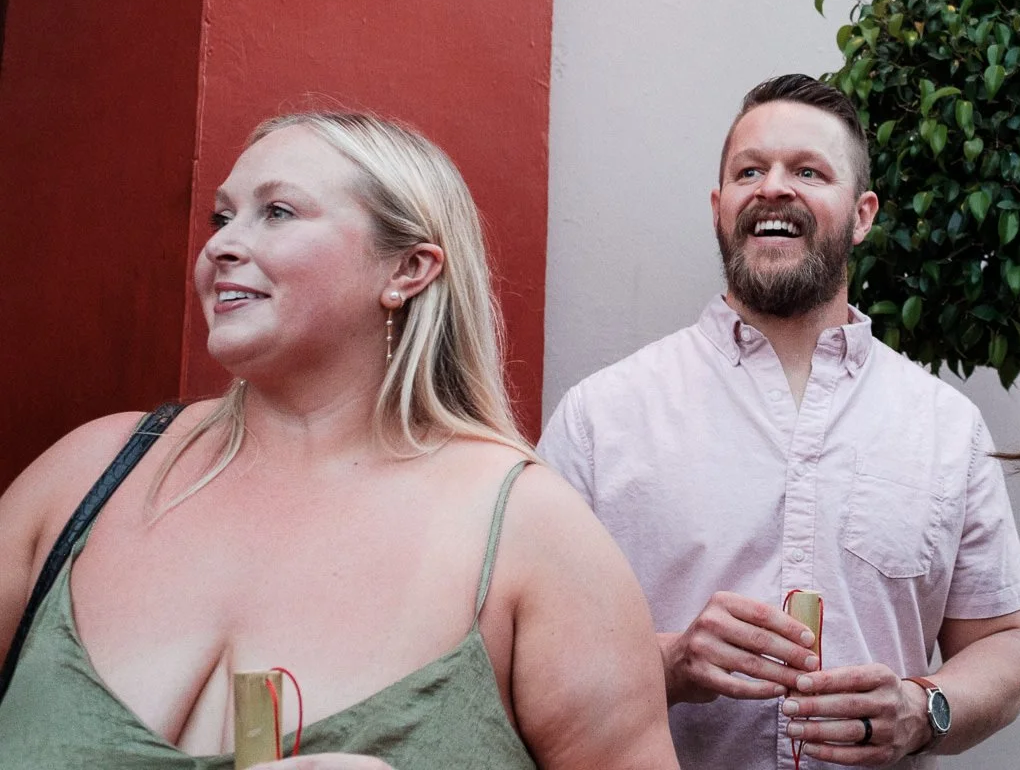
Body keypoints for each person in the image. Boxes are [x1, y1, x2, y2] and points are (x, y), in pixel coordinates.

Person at [0, 112, 676, 769]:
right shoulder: (89, 474)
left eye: (279, 212)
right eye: (222, 216)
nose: (221, 245)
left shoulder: (532, 533)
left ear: (407, 270)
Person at [539, 73, 1020, 768]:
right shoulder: (601, 417)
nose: (774, 187)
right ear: (721, 207)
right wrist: (672, 661)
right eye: (751, 171)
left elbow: (1004, 646)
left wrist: (924, 709)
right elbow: (529, 655)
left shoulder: (946, 428)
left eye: (808, 170)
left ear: (862, 216)